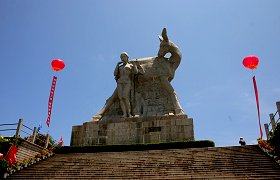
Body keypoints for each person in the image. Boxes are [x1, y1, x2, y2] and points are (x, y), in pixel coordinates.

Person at [114, 52, 139, 118]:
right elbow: (115, 73)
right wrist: (117, 65)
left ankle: (129, 113)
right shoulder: (120, 66)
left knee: (125, 96)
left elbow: (136, 72)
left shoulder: (130, 65)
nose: (123, 58)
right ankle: (124, 114)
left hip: (127, 82)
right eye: (121, 57)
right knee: (121, 98)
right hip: (120, 82)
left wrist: (134, 65)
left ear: (127, 57)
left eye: (124, 56)